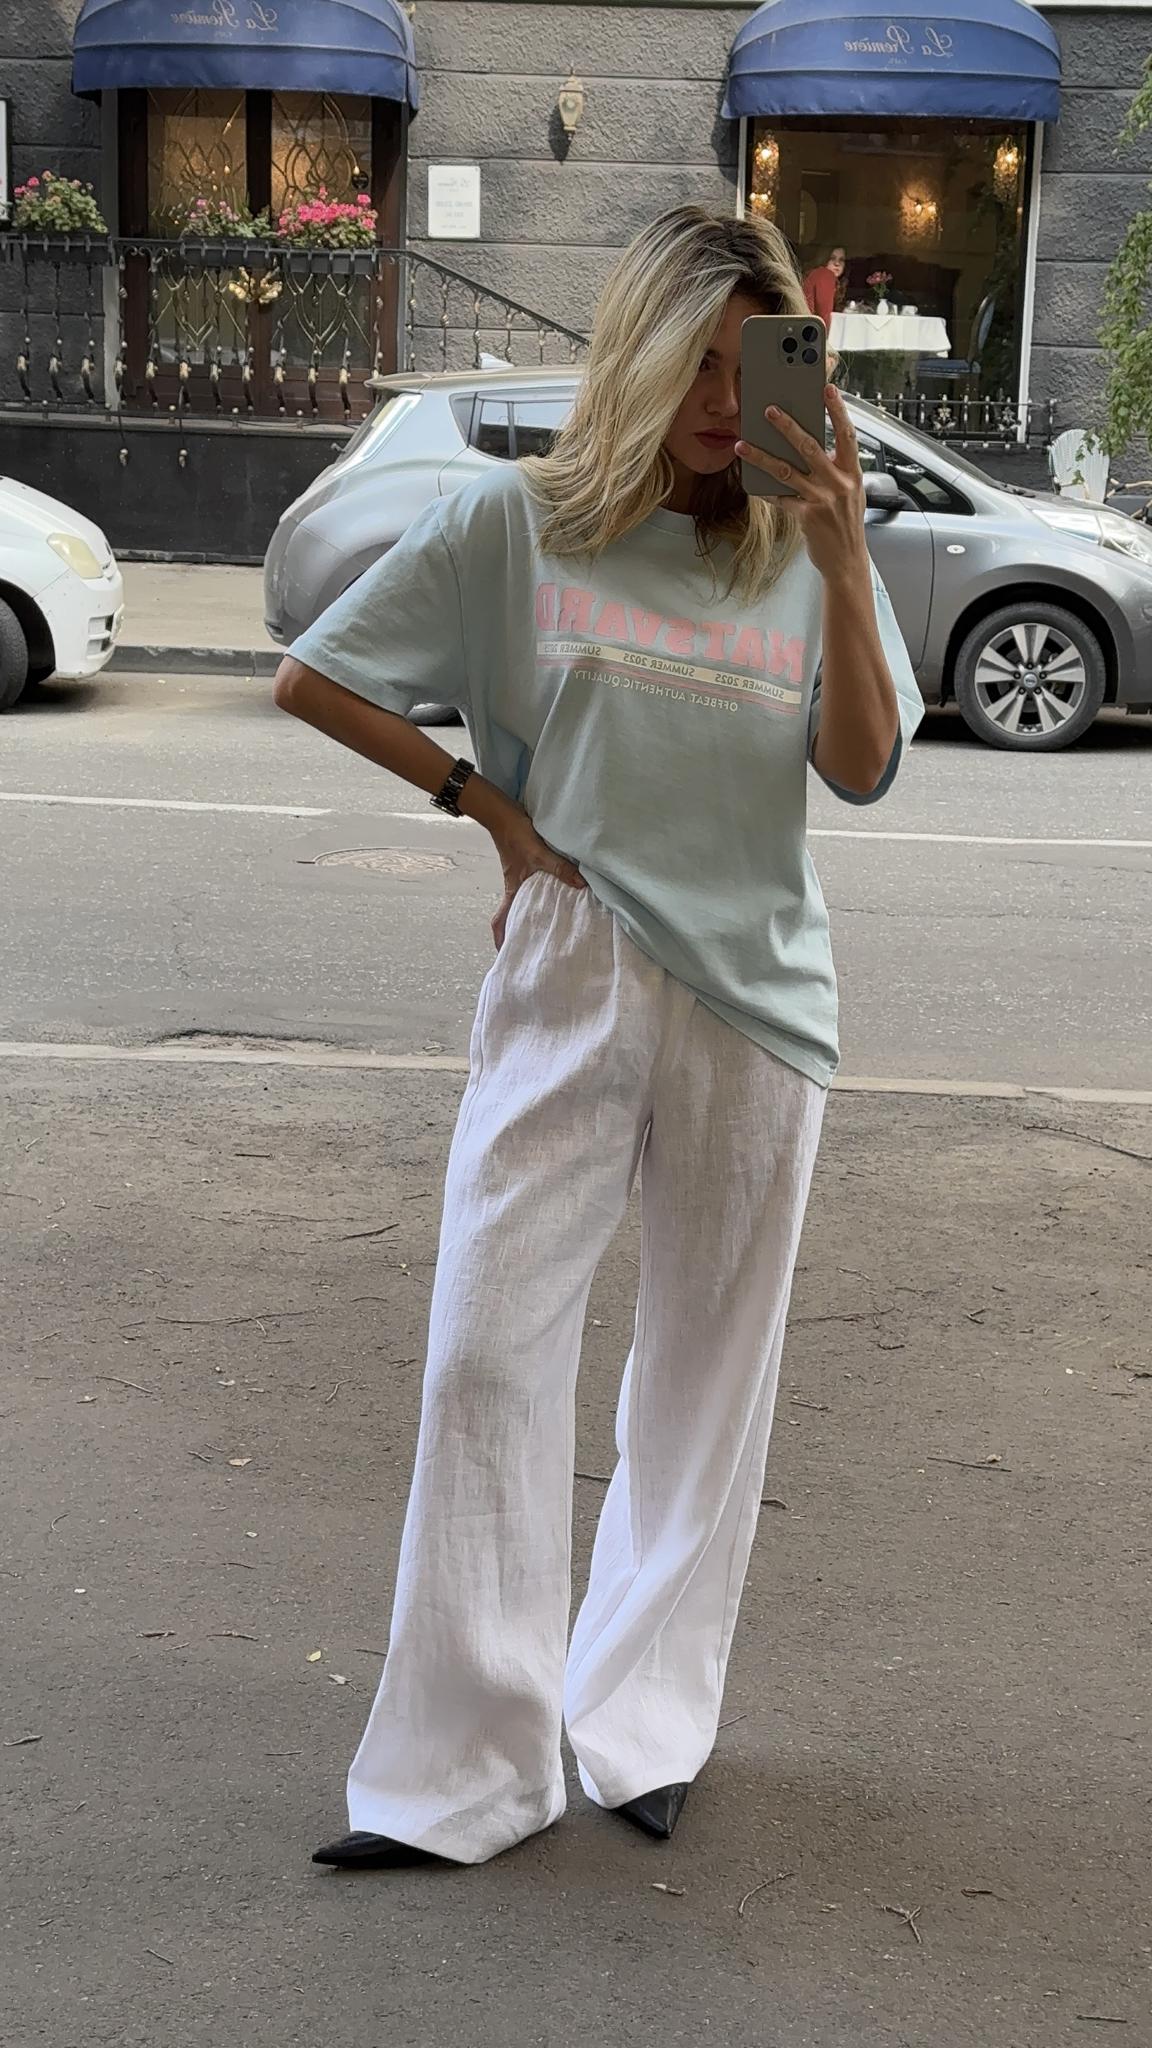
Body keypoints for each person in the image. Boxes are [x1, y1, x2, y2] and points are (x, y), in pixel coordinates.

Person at [274, 205, 922, 1870]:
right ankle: (462, 1770)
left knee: (703, 1384)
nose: (719, 401)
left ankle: (643, 1725)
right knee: (484, 1353)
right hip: (574, 964)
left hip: (756, 998)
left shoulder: (799, 549)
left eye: (748, 365)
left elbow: (860, 768)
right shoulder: (518, 525)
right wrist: (488, 811)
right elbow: (318, 677)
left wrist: (846, 563)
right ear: (632, 356)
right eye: (691, 362)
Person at [802, 246, 846, 325]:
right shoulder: (825, 275)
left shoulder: (817, 273)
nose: (837, 263)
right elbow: (824, 316)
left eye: (841, 260)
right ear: (824, 258)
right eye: (832, 258)